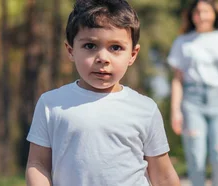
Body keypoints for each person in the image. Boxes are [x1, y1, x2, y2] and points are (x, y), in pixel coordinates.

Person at [25, 0, 181, 185]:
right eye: (90, 46)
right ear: (71, 50)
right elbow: (38, 164)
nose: (102, 58)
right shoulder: (51, 104)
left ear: (132, 54)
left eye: (115, 48)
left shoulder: (145, 108)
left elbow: (162, 174)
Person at [167, 0, 218, 186]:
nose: (201, 16)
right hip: (192, 102)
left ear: (214, 14)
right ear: (191, 15)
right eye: (197, 12)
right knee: (195, 157)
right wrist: (175, 110)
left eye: (205, 11)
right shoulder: (183, 41)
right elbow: (177, 79)